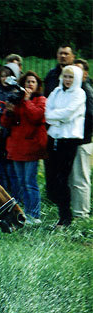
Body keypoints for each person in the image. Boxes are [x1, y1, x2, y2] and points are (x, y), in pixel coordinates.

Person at [0, 71, 47, 224]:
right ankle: (26, 213)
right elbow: (6, 124)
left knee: (29, 181)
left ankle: (35, 214)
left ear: (37, 85)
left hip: (31, 148)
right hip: (16, 148)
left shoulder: (40, 100)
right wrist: (8, 112)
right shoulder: (17, 101)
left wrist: (27, 100)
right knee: (20, 183)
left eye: (33, 82)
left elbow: (37, 116)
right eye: (27, 82)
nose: (29, 84)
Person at [45, 65, 86, 228]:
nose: (68, 80)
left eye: (71, 77)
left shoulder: (79, 94)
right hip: (53, 138)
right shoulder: (56, 92)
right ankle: (62, 213)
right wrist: (57, 118)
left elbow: (68, 114)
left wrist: (56, 116)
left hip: (69, 140)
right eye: (66, 76)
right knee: (51, 180)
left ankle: (65, 218)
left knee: (62, 179)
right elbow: (47, 113)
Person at [0, 62, 22, 197]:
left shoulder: (18, 94)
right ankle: (1, 200)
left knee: (13, 173)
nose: (4, 79)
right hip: (0, 138)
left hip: (14, 138)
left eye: (8, 76)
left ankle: (17, 201)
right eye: (2, 76)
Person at [68, 59, 93, 218]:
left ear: (85, 74)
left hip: (82, 142)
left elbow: (91, 116)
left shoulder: (87, 90)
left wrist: (79, 134)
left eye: (78, 70)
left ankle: (82, 214)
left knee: (81, 178)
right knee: (73, 178)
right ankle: (75, 210)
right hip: (71, 141)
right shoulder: (74, 90)